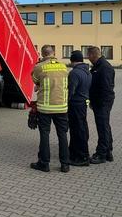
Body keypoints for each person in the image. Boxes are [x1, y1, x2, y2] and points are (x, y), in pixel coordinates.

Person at [30, 45, 70, 173]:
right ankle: (65, 164)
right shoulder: (63, 67)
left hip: (45, 108)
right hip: (62, 107)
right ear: (54, 53)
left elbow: (35, 81)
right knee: (62, 135)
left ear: (42, 54)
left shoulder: (39, 67)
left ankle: (44, 163)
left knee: (44, 135)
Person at [87, 46, 115, 164]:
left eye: (88, 55)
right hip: (100, 101)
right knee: (105, 126)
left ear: (93, 55)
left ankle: (101, 154)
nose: (88, 58)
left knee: (102, 127)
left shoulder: (104, 68)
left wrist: (98, 102)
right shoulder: (98, 66)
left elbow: (105, 88)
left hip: (103, 102)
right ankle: (108, 151)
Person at [67, 50, 92, 166]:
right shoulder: (87, 71)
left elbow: (70, 91)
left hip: (76, 104)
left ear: (72, 60)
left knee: (77, 130)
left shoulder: (74, 73)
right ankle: (74, 153)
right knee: (81, 128)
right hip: (83, 103)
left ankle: (81, 157)